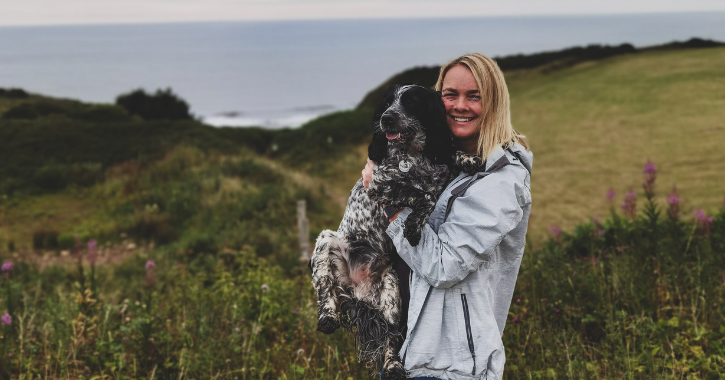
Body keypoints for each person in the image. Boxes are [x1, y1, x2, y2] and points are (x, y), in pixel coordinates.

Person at [362, 53, 532, 380]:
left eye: (475, 96)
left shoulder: (501, 181)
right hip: (404, 353)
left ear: (495, 103)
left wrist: (389, 200)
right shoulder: (436, 160)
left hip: (452, 365)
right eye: (450, 95)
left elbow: (444, 267)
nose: (460, 105)